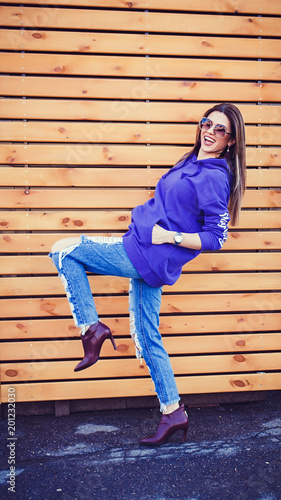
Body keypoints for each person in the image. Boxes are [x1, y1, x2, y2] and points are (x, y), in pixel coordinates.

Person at [49, 102, 246, 446]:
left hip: (149, 254)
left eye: (220, 129)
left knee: (64, 250)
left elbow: (217, 237)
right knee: (147, 337)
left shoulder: (214, 175)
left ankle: (91, 329)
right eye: (207, 123)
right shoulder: (191, 161)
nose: (210, 131)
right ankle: (174, 412)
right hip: (145, 249)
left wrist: (169, 236)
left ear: (231, 140)